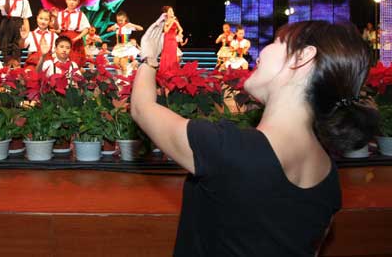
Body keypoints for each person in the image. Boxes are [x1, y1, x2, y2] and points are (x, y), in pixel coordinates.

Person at [132, 20, 379, 256]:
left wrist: (150, 58)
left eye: (277, 42)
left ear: (303, 57)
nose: (260, 53)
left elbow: (142, 109)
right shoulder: (328, 175)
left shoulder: (230, 148)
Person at [0, 0, 32, 65]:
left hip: (18, 25)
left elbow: (25, 18)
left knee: (17, 55)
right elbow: (7, 11)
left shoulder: (25, 1)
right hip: (7, 23)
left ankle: (17, 74)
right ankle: (6, 75)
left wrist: (27, 32)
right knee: (6, 55)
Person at [54, 0, 90, 67]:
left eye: (74, 0)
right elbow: (57, 28)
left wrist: (78, 37)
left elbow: (86, 28)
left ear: (78, 2)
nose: (72, 2)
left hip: (75, 41)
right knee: (62, 63)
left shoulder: (80, 14)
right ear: (66, 0)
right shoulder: (60, 14)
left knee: (74, 64)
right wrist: (55, 18)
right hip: (63, 39)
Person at [107, 11, 144, 75]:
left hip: (126, 47)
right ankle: (121, 77)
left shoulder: (128, 25)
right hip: (118, 47)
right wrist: (111, 28)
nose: (120, 22)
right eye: (118, 20)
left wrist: (132, 25)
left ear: (125, 19)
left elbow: (141, 28)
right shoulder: (116, 25)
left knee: (123, 64)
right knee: (115, 63)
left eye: (121, 20)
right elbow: (108, 30)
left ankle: (125, 78)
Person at [159, 6, 183, 74]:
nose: (172, 12)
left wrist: (179, 33)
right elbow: (166, 30)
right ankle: (165, 71)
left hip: (173, 39)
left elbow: (181, 29)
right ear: (166, 13)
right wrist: (172, 22)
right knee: (167, 54)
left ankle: (172, 72)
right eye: (170, 11)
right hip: (167, 39)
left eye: (172, 11)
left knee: (173, 55)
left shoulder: (175, 20)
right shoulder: (164, 21)